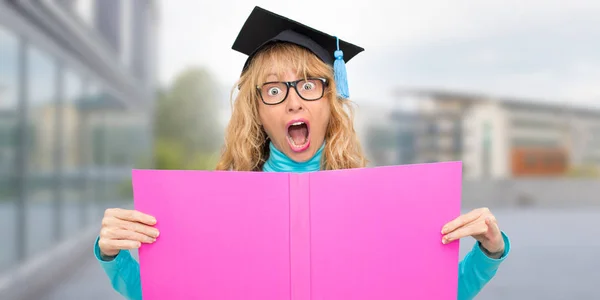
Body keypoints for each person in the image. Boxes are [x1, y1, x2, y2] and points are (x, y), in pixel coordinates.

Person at [94, 6, 510, 300]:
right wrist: (113, 255)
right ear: (256, 111)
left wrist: (488, 251)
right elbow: (165, 292)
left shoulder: (381, 201)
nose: (294, 102)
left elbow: (430, 291)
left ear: (331, 101)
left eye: (309, 84)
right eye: (274, 90)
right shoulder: (215, 203)